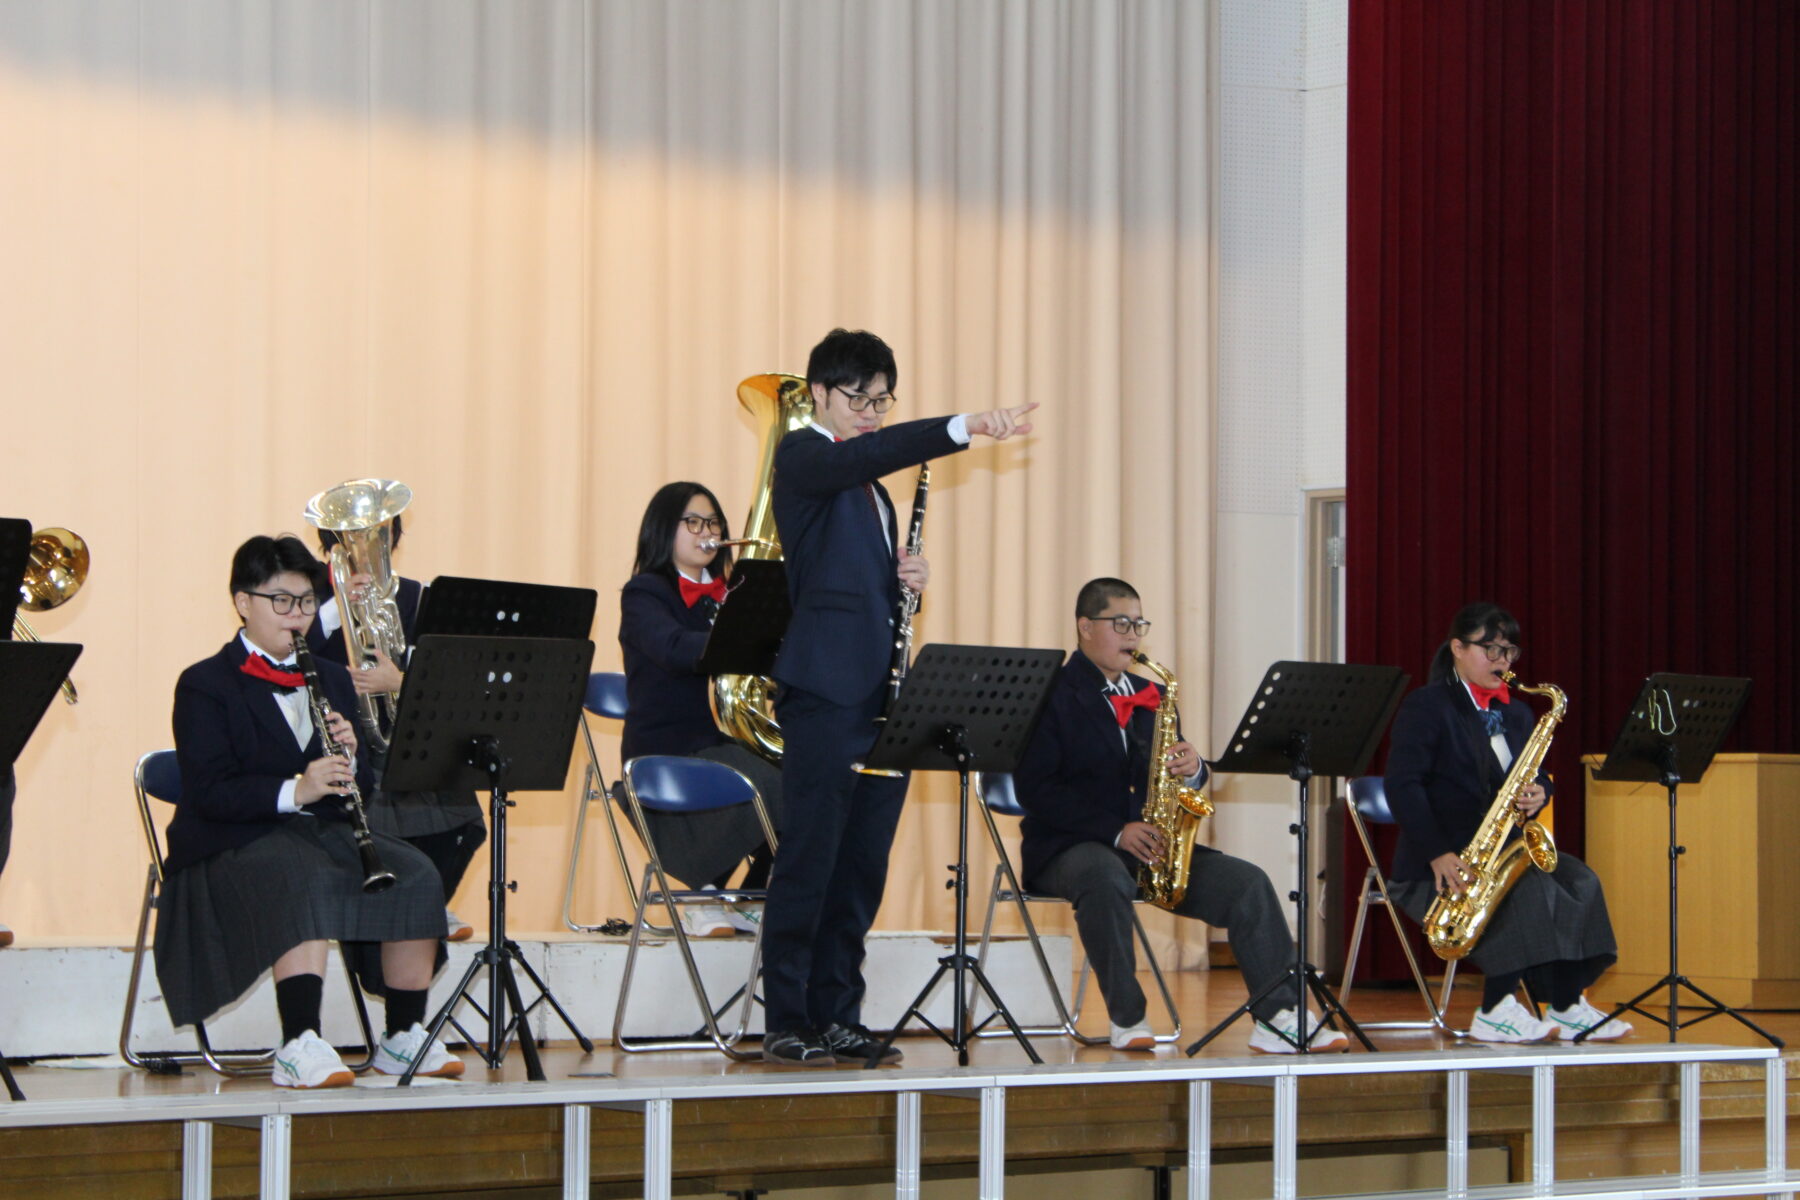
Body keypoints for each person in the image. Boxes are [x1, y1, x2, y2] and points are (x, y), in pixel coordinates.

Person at [758, 327, 1036, 1067]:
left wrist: (903, 582)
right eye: (861, 398)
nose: (874, 413)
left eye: (884, 400)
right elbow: (868, 457)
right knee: (811, 858)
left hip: (883, 700)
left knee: (861, 865)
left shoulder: (873, 495)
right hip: (824, 693)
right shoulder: (804, 456)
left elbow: (852, 581)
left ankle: (836, 1012)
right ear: (818, 394)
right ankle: (786, 1018)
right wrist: (962, 427)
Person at [154, 534, 465, 1087]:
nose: (295, 615)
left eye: (303, 602)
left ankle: (401, 1035)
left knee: (416, 874)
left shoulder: (335, 677)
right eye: (281, 601)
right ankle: (298, 1041)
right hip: (228, 842)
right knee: (304, 876)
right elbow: (207, 790)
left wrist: (350, 758)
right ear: (242, 602)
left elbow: (362, 787)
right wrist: (296, 790)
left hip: (317, 834)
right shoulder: (205, 683)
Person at [1014, 577, 1346, 1054]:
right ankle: (1128, 1017)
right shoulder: (1048, 693)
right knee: (1105, 875)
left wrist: (1193, 771)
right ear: (1085, 627)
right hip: (1069, 846)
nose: (1133, 635)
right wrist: (1114, 831)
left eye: (1139, 624)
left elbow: (1171, 779)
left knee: (1247, 883)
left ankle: (1279, 1016)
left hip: (1150, 844)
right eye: (1121, 623)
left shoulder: (1152, 695)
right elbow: (1036, 789)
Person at [1384, 601, 1630, 1042]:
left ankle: (1568, 1002)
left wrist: (1542, 791)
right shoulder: (1427, 706)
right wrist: (1438, 853)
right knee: (1529, 888)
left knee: (1581, 882)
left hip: (1502, 849)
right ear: (1457, 648)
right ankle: (1495, 1008)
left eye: (1509, 652)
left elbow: (1530, 773)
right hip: (1441, 862)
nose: (1502, 661)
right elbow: (1402, 785)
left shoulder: (1517, 712)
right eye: (1490, 649)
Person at [618, 481, 785, 936]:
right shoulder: (644, 593)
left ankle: (750, 895)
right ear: (662, 529)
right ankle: (705, 891)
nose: (706, 531)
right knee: (768, 779)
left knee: (814, 773)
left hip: (725, 740)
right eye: (692, 521)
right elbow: (673, 648)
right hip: (670, 745)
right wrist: (742, 639)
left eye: (713, 522)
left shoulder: (734, 593)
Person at [309, 515, 486, 942]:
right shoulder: (309, 596)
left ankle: (429, 900)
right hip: (333, 737)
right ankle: (397, 908)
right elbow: (291, 652)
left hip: (399, 733)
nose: (372, 543)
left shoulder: (414, 595)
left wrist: (397, 682)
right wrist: (335, 608)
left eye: (381, 532)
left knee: (461, 807)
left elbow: (441, 674)